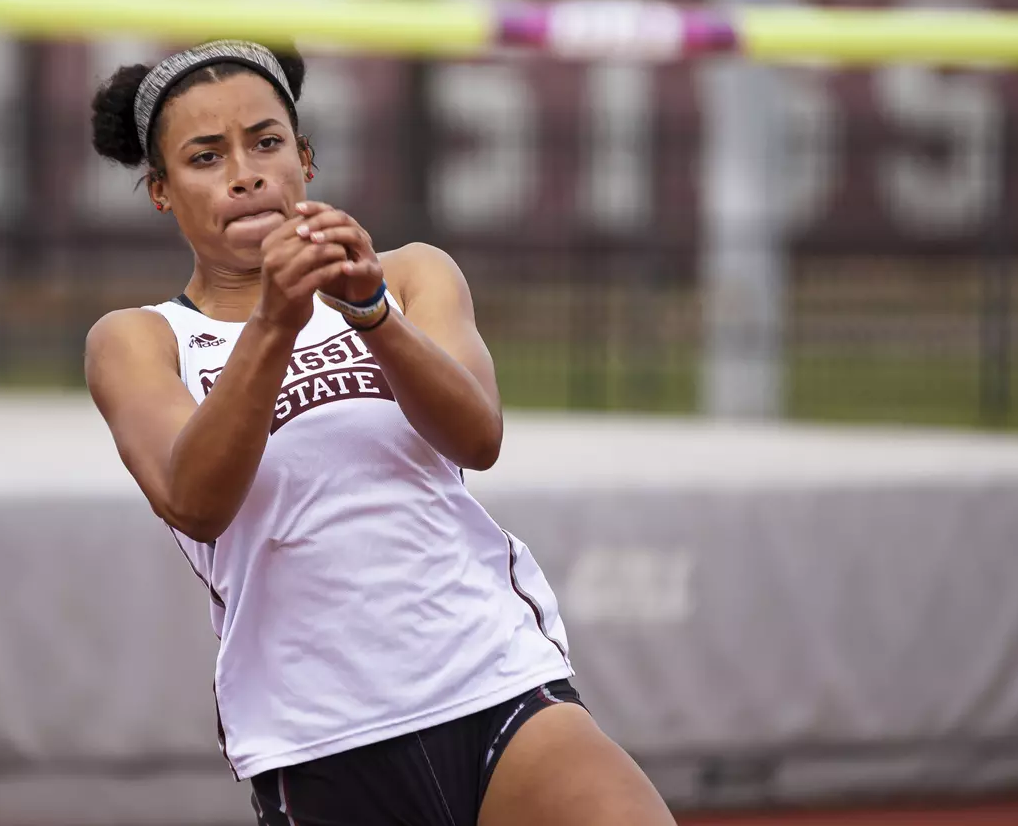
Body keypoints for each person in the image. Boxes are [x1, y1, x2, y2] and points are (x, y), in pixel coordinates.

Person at [85, 40, 675, 826]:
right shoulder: (138, 339)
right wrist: (271, 326)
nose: (245, 173)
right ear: (161, 192)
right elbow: (194, 500)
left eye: (265, 143)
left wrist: (369, 312)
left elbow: (477, 437)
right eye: (205, 156)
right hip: (319, 735)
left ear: (305, 159)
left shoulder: (407, 275)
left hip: (492, 679)